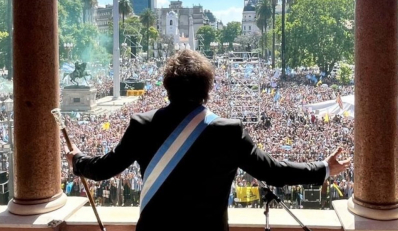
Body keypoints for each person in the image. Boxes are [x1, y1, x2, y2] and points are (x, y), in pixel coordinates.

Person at [64, 49, 351, 231]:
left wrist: (78, 160)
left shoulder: (143, 125)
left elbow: (104, 169)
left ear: (166, 87)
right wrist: (323, 168)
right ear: (207, 89)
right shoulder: (228, 131)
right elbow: (273, 171)